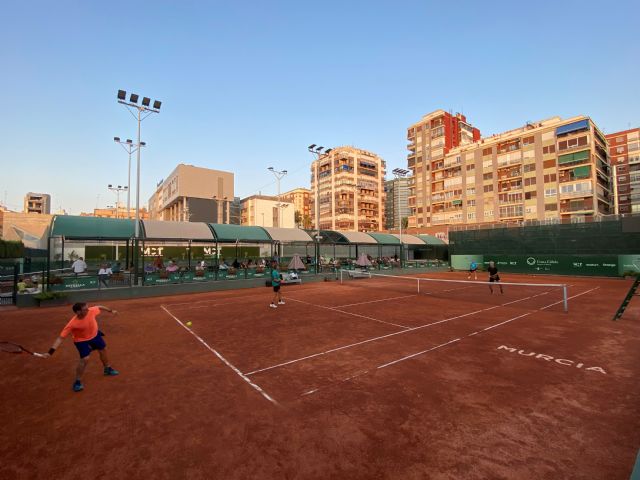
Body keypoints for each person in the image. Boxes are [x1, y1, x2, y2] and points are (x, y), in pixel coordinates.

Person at [43, 302, 119, 392]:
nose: (88, 310)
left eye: (87, 308)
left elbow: (99, 306)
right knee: (85, 359)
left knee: (103, 350)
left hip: (95, 335)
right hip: (81, 340)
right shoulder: (72, 324)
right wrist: (50, 352)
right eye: (85, 309)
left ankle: (107, 369)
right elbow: (60, 338)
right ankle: (77, 381)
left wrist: (111, 311)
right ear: (78, 312)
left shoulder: (91, 311)